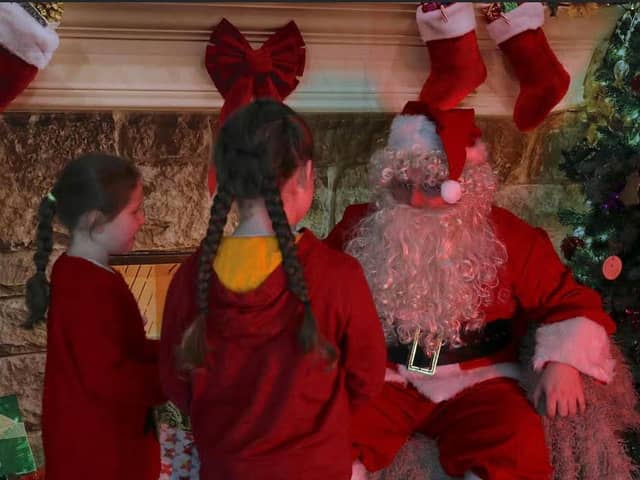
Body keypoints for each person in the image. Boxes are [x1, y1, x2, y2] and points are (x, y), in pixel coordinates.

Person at [325, 101, 616, 480]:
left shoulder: (509, 237)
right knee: (323, 440)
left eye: (430, 185)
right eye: (402, 183)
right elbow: (316, 289)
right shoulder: (359, 228)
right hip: (383, 377)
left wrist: (563, 363)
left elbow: (569, 300)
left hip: (481, 383)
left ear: (464, 185)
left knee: (514, 444)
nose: (414, 200)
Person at [159, 98, 386, 480]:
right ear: (305, 174)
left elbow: (176, 385)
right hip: (316, 469)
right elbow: (367, 379)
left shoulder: (189, 276)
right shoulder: (339, 275)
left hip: (227, 469)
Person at [25, 153, 165, 480]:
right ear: (93, 220)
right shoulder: (85, 286)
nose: (142, 220)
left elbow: (123, 351)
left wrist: (171, 350)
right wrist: (172, 373)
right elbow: (109, 378)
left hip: (104, 452)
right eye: (134, 211)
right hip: (101, 460)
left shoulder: (89, 275)